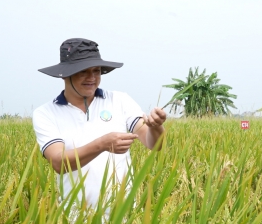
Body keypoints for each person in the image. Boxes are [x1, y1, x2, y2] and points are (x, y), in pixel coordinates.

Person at [32, 38, 167, 211]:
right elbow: (59, 163)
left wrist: (156, 126)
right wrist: (102, 144)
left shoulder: (120, 100)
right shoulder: (46, 113)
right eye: (83, 71)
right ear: (65, 74)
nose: (92, 78)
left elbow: (154, 144)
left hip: (123, 215)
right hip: (76, 218)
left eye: (96, 71)